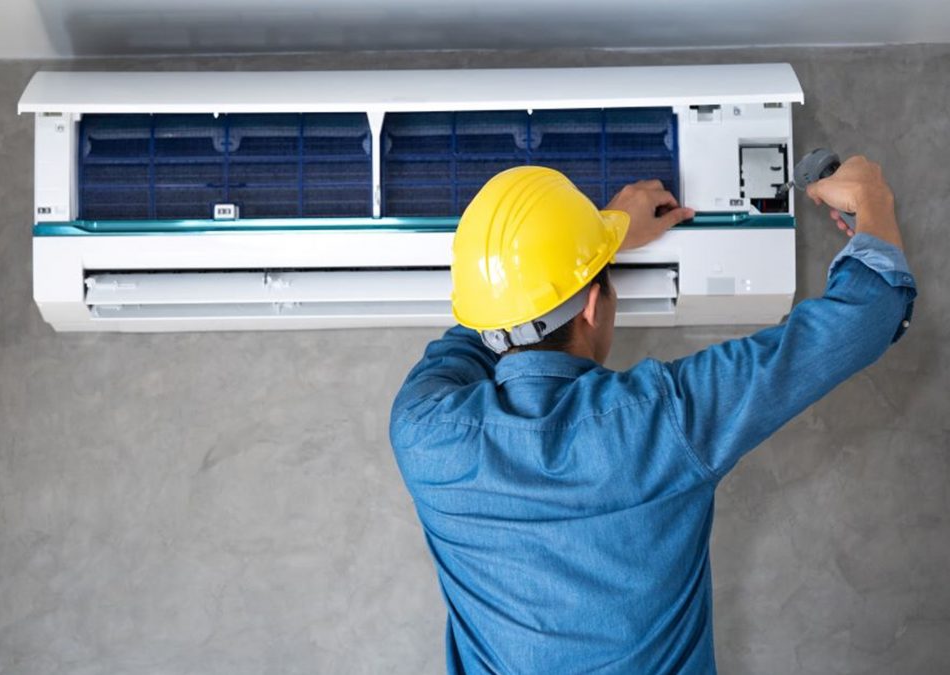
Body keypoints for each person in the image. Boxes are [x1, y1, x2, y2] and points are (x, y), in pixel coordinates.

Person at [389, 160, 916, 673]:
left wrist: (597, 242)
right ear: (595, 305)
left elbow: (482, 331)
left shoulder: (423, 433)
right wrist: (873, 198)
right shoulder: (668, 421)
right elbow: (865, 317)